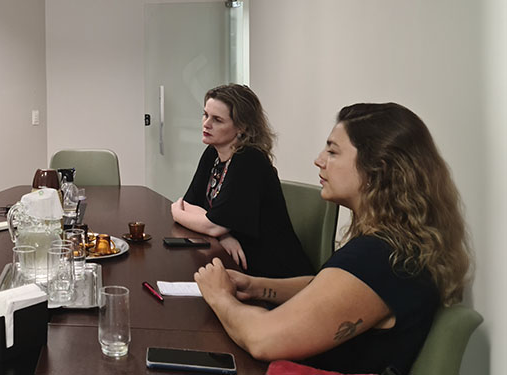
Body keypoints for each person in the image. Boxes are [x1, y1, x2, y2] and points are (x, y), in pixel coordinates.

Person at [194, 103, 472, 374]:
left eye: (333, 151)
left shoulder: (377, 259)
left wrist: (220, 297)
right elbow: (331, 288)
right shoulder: (396, 247)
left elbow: (263, 339)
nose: (319, 160)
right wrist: (256, 286)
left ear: (378, 169)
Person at [171, 84, 312, 278]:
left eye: (217, 120)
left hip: (272, 274)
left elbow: (208, 222)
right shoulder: (213, 153)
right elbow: (190, 205)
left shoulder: (249, 160)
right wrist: (223, 234)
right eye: (205, 115)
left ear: (242, 127)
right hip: (234, 263)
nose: (206, 124)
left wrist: (176, 213)